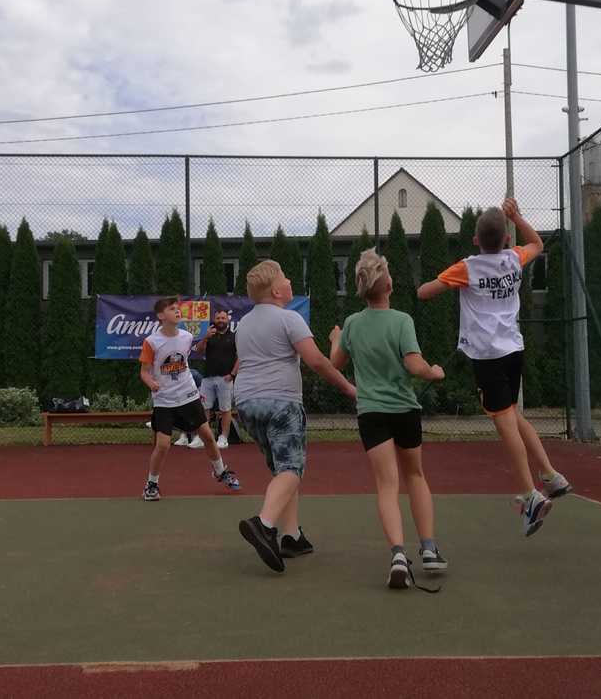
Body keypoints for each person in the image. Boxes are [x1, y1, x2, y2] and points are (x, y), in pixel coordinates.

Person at [417, 198, 572, 537]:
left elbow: (425, 292)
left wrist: (443, 282)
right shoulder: (514, 257)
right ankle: (551, 475)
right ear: (505, 238)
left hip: (487, 357)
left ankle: (531, 495)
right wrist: (517, 215)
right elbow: (537, 243)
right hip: (513, 350)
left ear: (476, 239)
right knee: (514, 416)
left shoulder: (467, 267)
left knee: (506, 426)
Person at [329, 248, 448, 591]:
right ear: (390, 285)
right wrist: (434, 372)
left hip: (372, 414)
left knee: (386, 484)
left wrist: (336, 338)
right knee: (415, 475)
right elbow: (415, 366)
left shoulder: (352, 323)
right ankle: (428, 549)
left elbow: (334, 363)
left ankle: (398, 554)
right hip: (404, 411)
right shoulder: (402, 321)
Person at [235, 260, 356, 573]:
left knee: (281, 471)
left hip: (247, 404)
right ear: (277, 290)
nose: (291, 281)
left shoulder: (245, 324)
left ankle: (292, 537)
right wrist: (349, 389)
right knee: (291, 469)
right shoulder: (290, 318)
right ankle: (264, 525)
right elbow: (316, 361)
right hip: (282, 403)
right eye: (286, 278)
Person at [139, 297, 240, 500]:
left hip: (188, 395)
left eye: (178, 308)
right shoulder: (151, 342)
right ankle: (151, 485)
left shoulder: (186, 337)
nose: (177, 311)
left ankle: (220, 471)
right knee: (163, 445)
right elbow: (144, 372)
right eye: (171, 309)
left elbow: (185, 359)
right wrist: (151, 383)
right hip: (165, 401)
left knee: (207, 436)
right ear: (161, 316)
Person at [190, 309, 238, 449]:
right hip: (207, 378)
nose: (220, 320)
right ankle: (203, 437)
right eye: (218, 318)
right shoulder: (209, 335)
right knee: (204, 408)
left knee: (225, 408)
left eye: (223, 318)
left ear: (227, 320)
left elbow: (240, 358)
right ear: (214, 320)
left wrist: (232, 375)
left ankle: (223, 438)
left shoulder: (234, 336)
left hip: (225, 379)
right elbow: (198, 351)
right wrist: (205, 337)